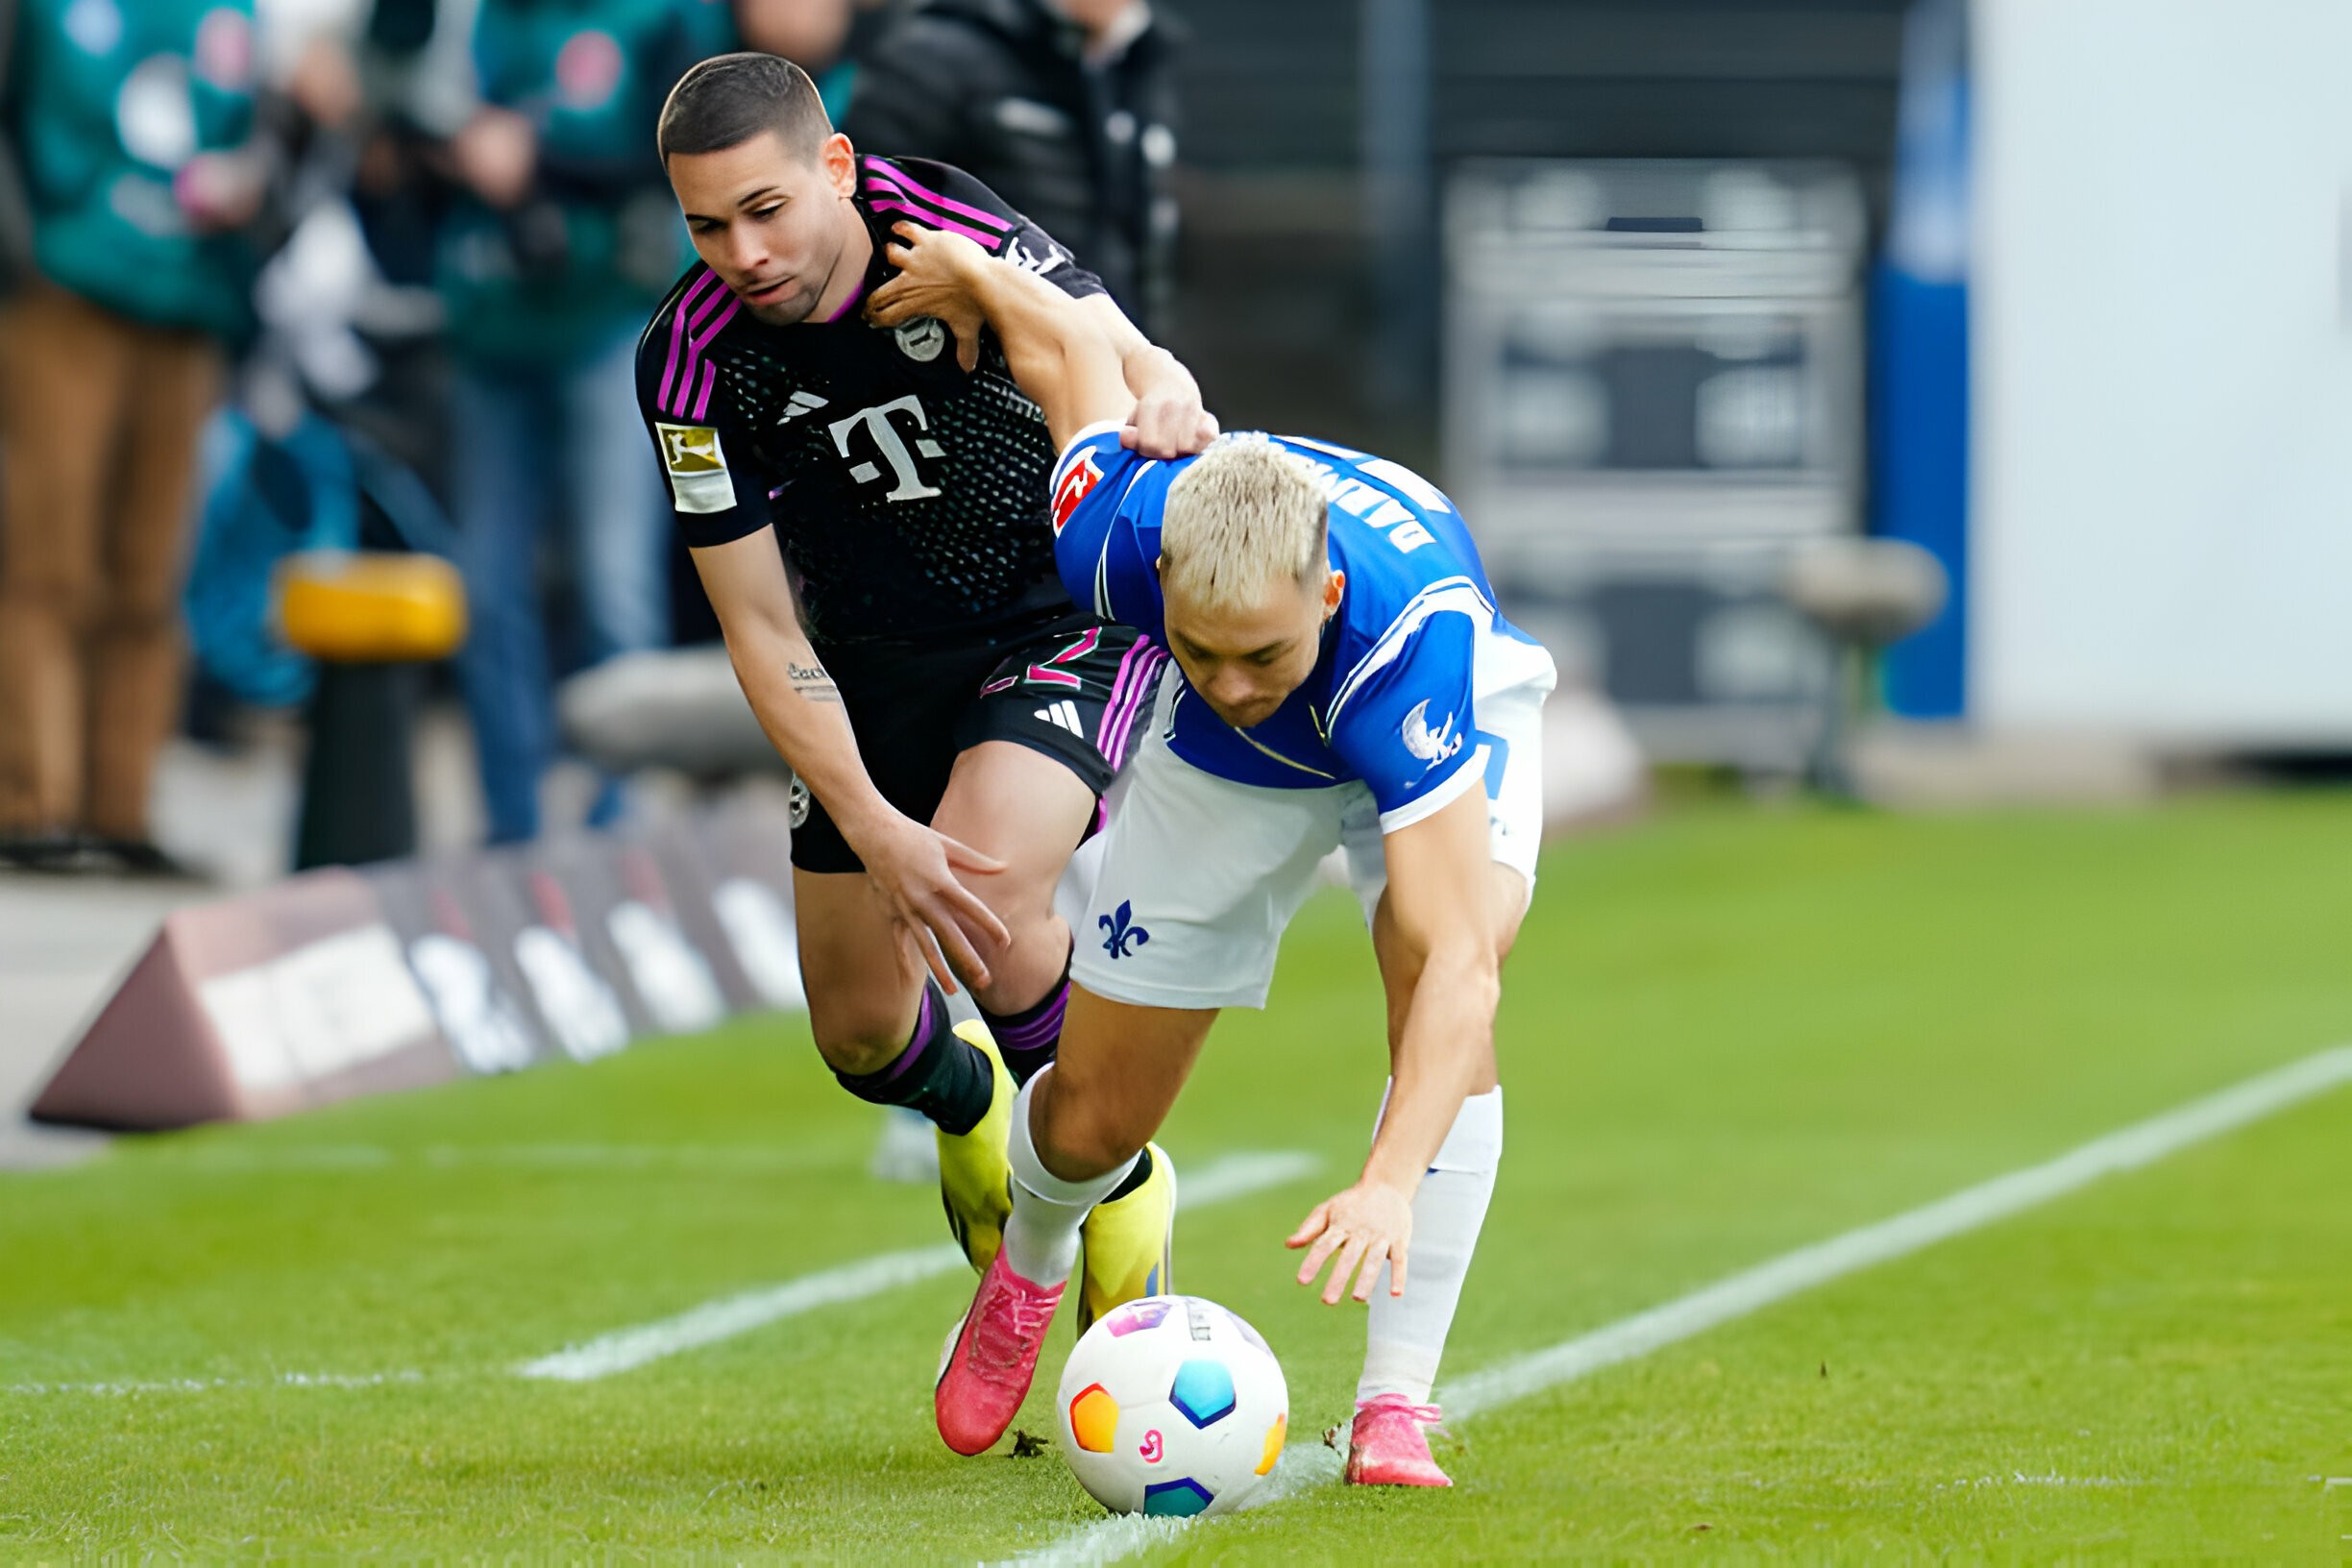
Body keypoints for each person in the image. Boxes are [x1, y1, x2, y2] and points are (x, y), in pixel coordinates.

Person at [872, 222, 1556, 1485]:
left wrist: (1385, 1185)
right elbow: (1075, 342)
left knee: (1435, 968)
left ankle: (1398, 1402)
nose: (1233, 681)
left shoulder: (1411, 646)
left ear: (1325, 601)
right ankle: (1028, 1261)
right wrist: (974, 272)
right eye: (1200, 649)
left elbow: (1465, 965)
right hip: (1221, 782)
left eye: (1263, 654)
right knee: (1093, 1115)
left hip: (1414, 732)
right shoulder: (1116, 530)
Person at [638, 54, 1213, 1326]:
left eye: (767, 209)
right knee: (857, 1034)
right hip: (865, 669)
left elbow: (1124, 357)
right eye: (707, 224)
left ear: (833, 168)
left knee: (984, 889)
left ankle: (1107, 1189)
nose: (742, 250)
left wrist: (1164, 392)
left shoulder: (944, 225)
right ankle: (971, 1111)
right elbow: (758, 623)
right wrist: (872, 825)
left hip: (1051, 623)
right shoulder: (685, 364)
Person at [0, 0, 267, 874]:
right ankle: (31, 801)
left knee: (154, 570)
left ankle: (120, 805)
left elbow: (257, 132)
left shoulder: (233, 13)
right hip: (65, 293)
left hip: (185, 305)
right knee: (47, 559)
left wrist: (256, 191)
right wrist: (23, 248)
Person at [437, 0, 706, 845]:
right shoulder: (477, 21)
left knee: (613, 581)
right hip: (489, 323)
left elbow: (681, 160)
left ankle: (613, 827)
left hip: (606, 322)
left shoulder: (661, 19)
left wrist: (540, 162)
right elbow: (403, 113)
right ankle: (511, 827)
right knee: (485, 587)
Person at [842, 0, 1177, 331]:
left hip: (1106, 357)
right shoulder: (939, 49)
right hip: (973, 358)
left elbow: (1144, 249)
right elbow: (861, 205)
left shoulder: (1142, 63)